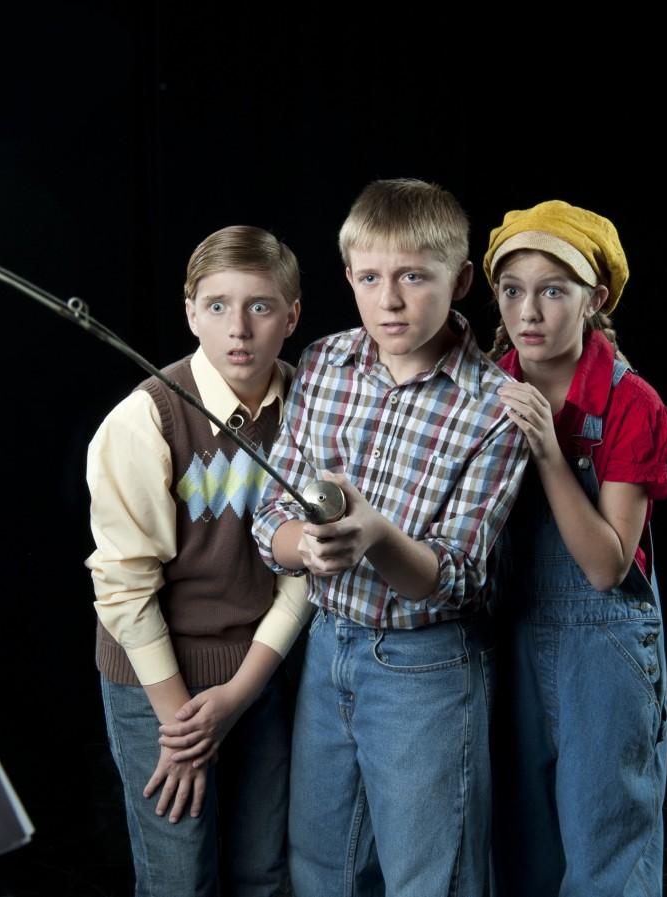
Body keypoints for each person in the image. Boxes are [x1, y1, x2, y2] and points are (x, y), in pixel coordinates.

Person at [251, 178, 529, 896]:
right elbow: (269, 514)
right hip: (328, 647)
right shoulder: (323, 364)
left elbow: (458, 574)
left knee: (429, 875)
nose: (390, 300)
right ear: (348, 278)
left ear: (462, 279)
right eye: (370, 278)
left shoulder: (495, 408)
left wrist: (376, 532)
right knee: (320, 868)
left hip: (425, 666)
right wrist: (302, 547)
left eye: (414, 276)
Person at [86, 225, 310, 897]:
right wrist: (185, 727)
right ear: (190, 312)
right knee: (181, 876)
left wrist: (239, 696)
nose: (238, 328)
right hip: (157, 676)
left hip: (258, 668)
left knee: (262, 871)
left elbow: (305, 574)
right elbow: (124, 590)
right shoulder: (143, 421)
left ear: (293, 315)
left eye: (260, 306)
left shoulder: (310, 408)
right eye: (216, 306)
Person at [485, 200, 667, 897]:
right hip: (507, 634)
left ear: (595, 298)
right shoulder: (485, 382)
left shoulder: (631, 404)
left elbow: (605, 563)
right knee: (518, 844)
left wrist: (546, 448)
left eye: (553, 291)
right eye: (512, 291)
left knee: (605, 845)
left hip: (603, 648)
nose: (528, 311)